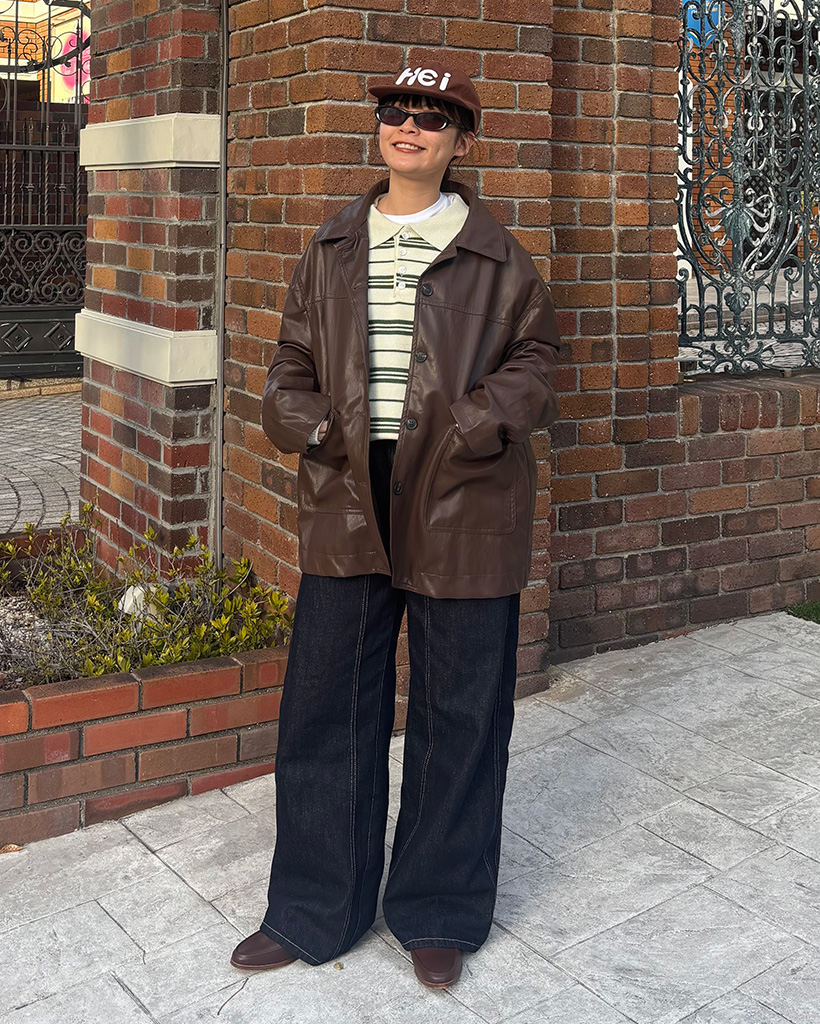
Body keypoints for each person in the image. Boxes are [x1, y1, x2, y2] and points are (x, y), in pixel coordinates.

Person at [230, 59, 561, 989]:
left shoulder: (499, 255)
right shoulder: (333, 245)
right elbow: (290, 361)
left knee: (461, 711)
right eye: (395, 110)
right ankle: (312, 909)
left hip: (463, 498)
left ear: (462, 141)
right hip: (348, 492)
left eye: (432, 115)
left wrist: (474, 424)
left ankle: (439, 907)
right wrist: (310, 425)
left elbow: (538, 362)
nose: (408, 125)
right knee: (325, 707)